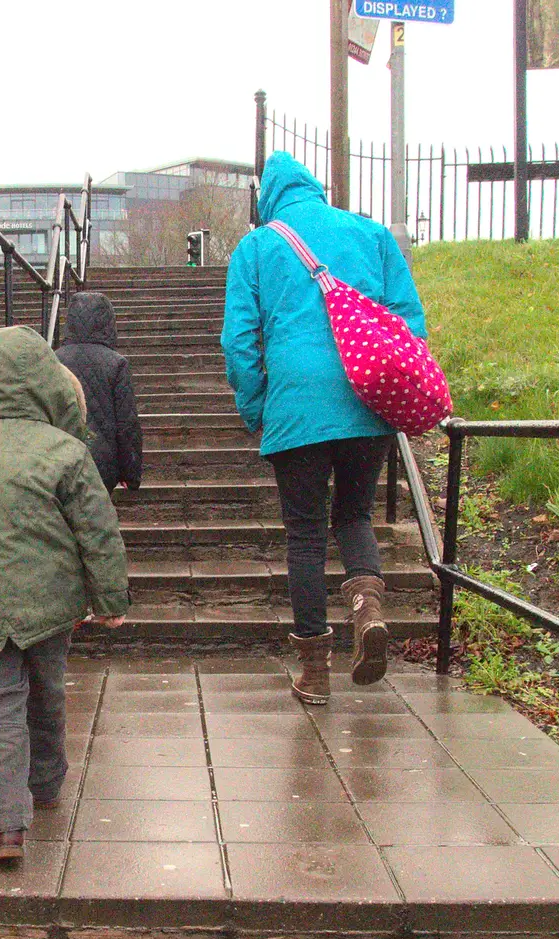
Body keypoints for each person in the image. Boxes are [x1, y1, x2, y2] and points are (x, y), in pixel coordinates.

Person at [221, 152, 426, 705]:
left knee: (306, 536)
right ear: (315, 186)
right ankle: (368, 612)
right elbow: (410, 325)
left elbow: (238, 344)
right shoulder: (373, 234)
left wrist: (259, 408)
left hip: (297, 411)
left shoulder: (258, 248)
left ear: (268, 199)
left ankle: (314, 672)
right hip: (367, 405)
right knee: (354, 514)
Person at [0, 325, 130, 862]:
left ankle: (4, 828)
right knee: (47, 691)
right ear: (46, 382)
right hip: (52, 603)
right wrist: (109, 599)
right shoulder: (66, 450)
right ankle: (46, 783)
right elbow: (97, 528)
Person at [56, 292, 143, 491]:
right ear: (108, 322)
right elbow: (127, 422)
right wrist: (130, 472)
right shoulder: (116, 363)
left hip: (61, 457)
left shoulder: (54, 359)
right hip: (102, 464)